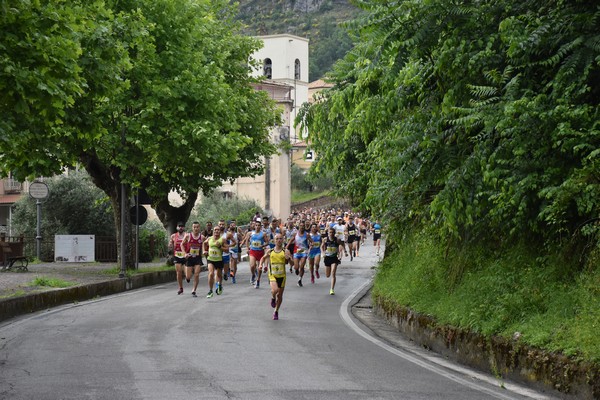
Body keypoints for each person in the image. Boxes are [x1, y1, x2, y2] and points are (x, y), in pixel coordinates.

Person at [259, 233, 291, 320]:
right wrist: (260, 265)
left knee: (280, 296)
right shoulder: (270, 251)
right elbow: (263, 258)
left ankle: (276, 311)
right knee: (275, 290)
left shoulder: (286, 251)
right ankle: (273, 297)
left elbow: (291, 263)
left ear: (283, 240)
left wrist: (288, 258)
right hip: (272, 274)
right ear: (274, 240)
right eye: (277, 239)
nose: (279, 240)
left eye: (280, 239)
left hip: (282, 276)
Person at [203, 225, 228, 298]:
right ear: (213, 231)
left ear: (220, 231)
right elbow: (204, 243)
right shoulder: (209, 238)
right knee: (211, 273)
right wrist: (204, 250)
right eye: (215, 230)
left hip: (219, 260)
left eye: (218, 230)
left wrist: (220, 247)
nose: (216, 231)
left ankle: (219, 285)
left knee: (219, 275)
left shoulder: (222, 239)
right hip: (210, 259)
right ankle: (210, 290)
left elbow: (227, 250)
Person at [180, 221, 204, 297]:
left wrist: (205, 251)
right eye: (194, 227)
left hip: (198, 258)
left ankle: (194, 290)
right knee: (188, 277)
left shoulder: (202, 237)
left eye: (197, 227)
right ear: (192, 228)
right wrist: (185, 253)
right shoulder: (188, 236)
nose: (196, 228)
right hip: (189, 258)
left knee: (196, 275)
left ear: (199, 227)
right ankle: (186, 274)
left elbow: (207, 243)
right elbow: (182, 245)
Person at [242, 219, 267, 288]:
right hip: (253, 251)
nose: (257, 227)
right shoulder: (250, 233)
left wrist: (263, 245)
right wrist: (247, 248)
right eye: (256, 225)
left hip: (260, 252)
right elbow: (246, 241)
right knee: (252, 266)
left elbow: (267, 242)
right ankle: (253, 275)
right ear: (254, 226)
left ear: (260, 227)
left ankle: (258, 280)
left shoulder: (263, 234)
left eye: (259, 225)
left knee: (259, 268)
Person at [288, 221, 312, 287]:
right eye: (301, 226)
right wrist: (286, 247)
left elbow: (311, 242)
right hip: (296, 252)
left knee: (302, 267)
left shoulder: (307, 234)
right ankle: (296, 269)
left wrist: (311, 246)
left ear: (304, 227)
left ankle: (300, 280)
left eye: (303, 226)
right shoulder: (296, 234)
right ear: (299, 226)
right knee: (296, 267)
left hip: (304, 252)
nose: (302, 227)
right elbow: (290, 241)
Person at [322, 227, 342, 295]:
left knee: (333, 272)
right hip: (327, 258)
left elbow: (340, 247)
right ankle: (331, 288)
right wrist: (323, 253)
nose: (331, 234)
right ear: (328, 233)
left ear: (334, 233)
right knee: (328, 275)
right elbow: (322, 247)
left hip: (334, 258)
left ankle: (332, 289)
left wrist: (340, 255)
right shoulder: (325, 239)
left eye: (332, 232)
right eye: (330, 232)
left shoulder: (337, 240)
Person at [168, 222, 187, 295]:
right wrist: (170, 245)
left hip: (185, 256)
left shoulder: (187, 235)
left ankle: (187, 277)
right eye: (179, 226)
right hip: (177, 256)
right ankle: (180, 288)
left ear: (184, 228)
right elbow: (170, 244)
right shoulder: (173, 236)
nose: (181, 227)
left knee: (186, 273)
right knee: (178, 272)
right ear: (177, 227)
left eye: (182, 226)